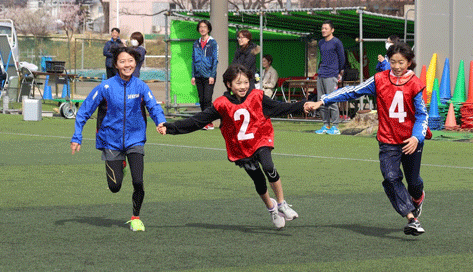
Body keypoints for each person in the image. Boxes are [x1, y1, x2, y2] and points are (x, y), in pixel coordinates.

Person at [305, 42, 430, 236]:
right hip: (388, 140)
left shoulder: (416, 84)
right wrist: (323, 100)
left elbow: (422, 115)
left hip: (410, 141)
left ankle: (417, 198)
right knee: (390, 178)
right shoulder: (379, 80)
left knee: (413, 183)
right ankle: (412, 218)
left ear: (409, 62)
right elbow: (351, 91)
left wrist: (416, 137)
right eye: (393, 62)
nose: (397, 67)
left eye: (401, 62)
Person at [163, 64, 306, 229]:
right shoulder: (221, 104)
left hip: (260, 139)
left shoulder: (257, 97)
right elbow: (197, 121)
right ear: (229, 84)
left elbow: (281, 108)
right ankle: (271, 208)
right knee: (259, 181)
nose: (243, 86)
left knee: (268, 166)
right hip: (241, 148)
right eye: (238, 83)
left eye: (246, 82)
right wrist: (170, 128)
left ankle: (282, 204)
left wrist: (303, 105)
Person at [70, 47, 167, 232]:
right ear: (115, 65)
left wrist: (161, 122)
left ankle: (136, 217)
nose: (127, 65)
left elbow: (153, 106)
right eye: (122, 61)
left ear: (136, 63)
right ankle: (120, 165)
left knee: (138, 181)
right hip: (111, 141)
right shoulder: (105, 87)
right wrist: (77, 135)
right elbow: (84, 110)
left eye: (130, 61)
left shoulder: (140, 86)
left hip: (135, 139)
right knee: (114, 187)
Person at [315, 20, 345, 135]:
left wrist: (339, 72)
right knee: (321, 101)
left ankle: (335, 126)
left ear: (332, 30)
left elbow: (342, 58)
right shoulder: (321, 42)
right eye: (322, 28)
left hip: (332, 74)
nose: (323, 30)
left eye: (326, 28)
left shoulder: (337, 42)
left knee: (332, 101)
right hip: (321, 74)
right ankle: (325, 125)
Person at [191, 20, 219, 130]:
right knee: (201, 99)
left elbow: (215, 60)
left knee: (207, 99)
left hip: (209, 75)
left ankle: (209, 122)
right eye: (201, 27)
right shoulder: (196, 43)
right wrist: (193, 75)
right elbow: (193, 60)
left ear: (208, 29)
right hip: (198, 75)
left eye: (205, 27)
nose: (202, 29)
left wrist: (212, 75)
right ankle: (204, 122)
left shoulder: (213, 43)